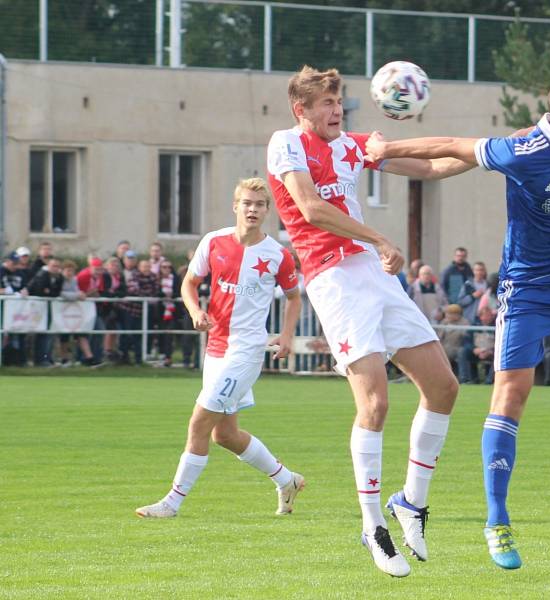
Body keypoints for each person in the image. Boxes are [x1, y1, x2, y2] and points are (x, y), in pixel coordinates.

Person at [366, 74, 550, 570]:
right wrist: (381, 150)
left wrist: (394, 160)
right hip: (529, 290)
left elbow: (449, 163)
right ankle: (497, 519)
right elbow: (451, 145)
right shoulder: (524, 150)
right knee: (511, 395)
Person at [266, 66, 469, 577]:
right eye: (328, 103)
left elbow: (430, 169)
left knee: (444, 387)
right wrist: (379, 238)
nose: (337, 111)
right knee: (376, 402)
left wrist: (493, 156)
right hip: (333, 280)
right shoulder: (285, 143)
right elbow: (311, 209)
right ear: (302, 111)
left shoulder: (350, 145)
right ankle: (373, 524)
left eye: (340, 102)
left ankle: (411, 503)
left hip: (374, 276)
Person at [136, 178, 305, 519]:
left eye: (259, 204)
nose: (253, 209)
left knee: (198, 423)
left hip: (246, 351)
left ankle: (172, 502)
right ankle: (288, 480)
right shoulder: (213, 241)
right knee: (224, 435)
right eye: (247, 203)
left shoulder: (277, 254)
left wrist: (286, 335)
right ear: (236, 206)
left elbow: (293, 297)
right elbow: (189, 282)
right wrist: (195, 310)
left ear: (267, 211)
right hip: (215, 348)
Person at [437, 304, 469, 376]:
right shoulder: (443, 322)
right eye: (447, 313)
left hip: (457, 347)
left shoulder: (464, 322)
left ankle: (463, 378)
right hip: (444, 348)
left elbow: (464, 336)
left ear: (458, 314)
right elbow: (439, 337)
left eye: (451, 314)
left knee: (461, 352)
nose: (448, 315)